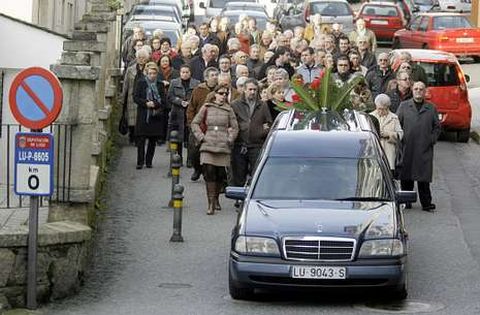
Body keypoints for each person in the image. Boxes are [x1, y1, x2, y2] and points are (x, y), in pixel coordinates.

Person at [191, 84, 239, 215]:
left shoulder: (229, 110)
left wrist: (230, 139)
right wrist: (201, 137)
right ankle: (210, 203)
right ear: (215, 94)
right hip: (208, 144)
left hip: (223, 146)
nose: (223, 96)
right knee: (209, 173)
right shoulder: (206, 108)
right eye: (221, 93)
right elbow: (194, 123)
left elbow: (235, 127)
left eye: (225, 94)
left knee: (219, 174)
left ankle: (217, 198)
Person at [396, 81, 441, 211]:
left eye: (421, 89)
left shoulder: (431, 107)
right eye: (416, 89)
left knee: (423, 178)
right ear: (412, 90)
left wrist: (431, 139)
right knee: (406, 176)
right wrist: (400, 140)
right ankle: (407, 202)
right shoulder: (404, 106)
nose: (418, 91)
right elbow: (397, 124)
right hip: (407, 147)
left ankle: (426, 203)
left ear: (425, 91)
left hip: (424, 148)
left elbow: (437, 127)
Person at [231, 78, 272, 189]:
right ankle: (238, 198)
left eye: (255, 90)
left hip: (256, 144)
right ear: (244, 90)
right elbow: (231, 121)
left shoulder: (262, 105)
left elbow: (269, 123)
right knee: (239, 173)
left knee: (256, 172)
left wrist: (261, 132)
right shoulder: (235, 104)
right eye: (250, 89)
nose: (252, 92)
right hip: (239, 144)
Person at [133, 62, 167, 169]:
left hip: (155, 115)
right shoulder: (141, 83)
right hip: (144, 114)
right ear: (146, 73)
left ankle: (149, 161)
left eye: (154, 73)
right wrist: (146, 103)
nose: (152, 75)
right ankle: (140, 161)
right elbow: (135, 97)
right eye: (150, 73)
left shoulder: (160, 84)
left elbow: (163, 100)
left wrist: (155, 104)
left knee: (152, 140)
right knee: (141, 139)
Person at [187, 67, 219, 180]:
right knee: (195, 152)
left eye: (216, 75)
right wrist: (191, 123)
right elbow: (191, 108)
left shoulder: (220, 90)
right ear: (206, 78)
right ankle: (197, 169)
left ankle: (207, 172)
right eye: (212, 75)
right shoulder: (198, 90)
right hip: (199, 125)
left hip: (214, 125)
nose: (215, 77)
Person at [167, 65, 200, 162]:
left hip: (191, 113)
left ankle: (190, 159)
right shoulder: (174, 82)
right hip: (177, 113)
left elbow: (198, 97)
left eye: (187, 72)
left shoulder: (196, 83)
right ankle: (179, 158)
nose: (185, 74)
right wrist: (180, 101)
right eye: (183, 72)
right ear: (180, 73)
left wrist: (190, 102)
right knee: (177, 137)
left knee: (190, 138)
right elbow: (170, 96)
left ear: (190, 73)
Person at [121, 48, 149, 144]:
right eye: (139, 57)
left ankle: (140, 138)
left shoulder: (149, 69)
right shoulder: (130, 70)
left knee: (141, 119)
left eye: (143, 58)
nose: (141, 59)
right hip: (131, 97)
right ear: (136, 58)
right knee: (132, 119)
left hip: (144, 97)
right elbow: (126, 84)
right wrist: (123, 96)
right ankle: (132, 136)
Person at [370, 94, 403, 172]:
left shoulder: (394, 118)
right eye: (379, 109)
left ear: (388, 107)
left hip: (389, 154)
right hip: (374, 153)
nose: (381, 111)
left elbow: (400, 134)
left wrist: (388, 134)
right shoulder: (370, 116)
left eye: (383, 109)